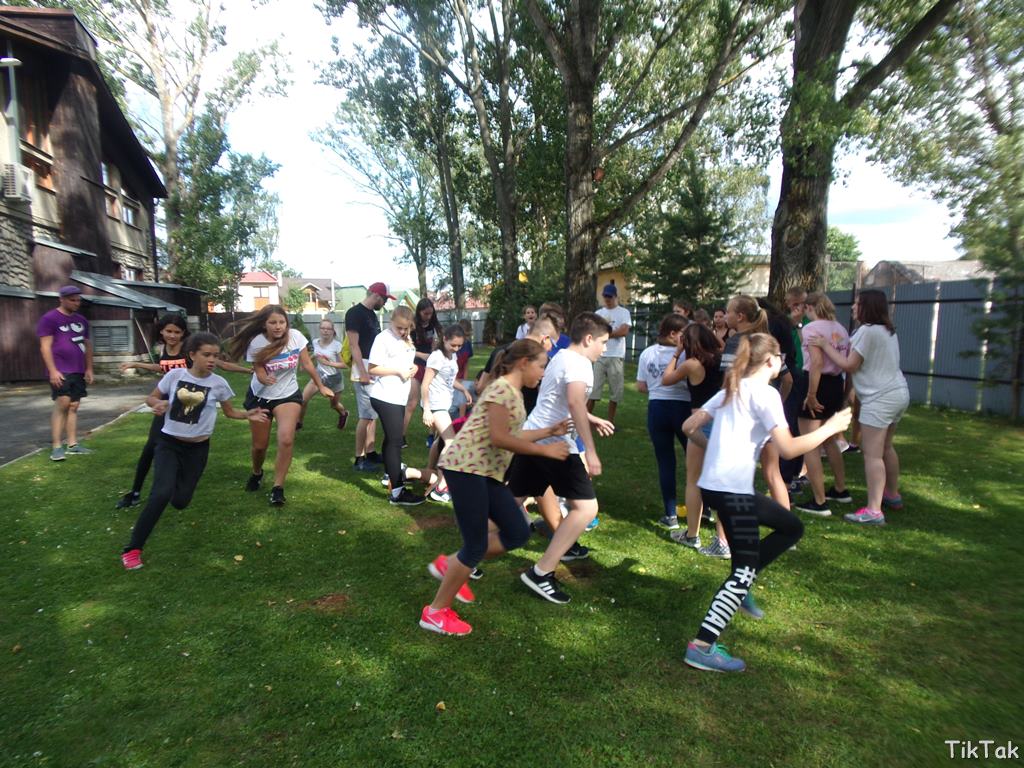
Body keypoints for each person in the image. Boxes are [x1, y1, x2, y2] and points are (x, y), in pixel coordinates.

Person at [680, 333, 851, 672]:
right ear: (771, 360)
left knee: (791, 526)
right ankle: (702, 646)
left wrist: (715, 450)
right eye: (781, 357)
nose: (782, 363)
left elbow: (688, 426)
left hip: (718, 489)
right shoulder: (766, 393)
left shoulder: (732, 388)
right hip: (732, 492)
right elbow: (788, 449)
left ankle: (744, 580)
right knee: (743, 570)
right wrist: (829, 427)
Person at [419, 339, 571, 636]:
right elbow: (499, 438)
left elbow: (514, 434)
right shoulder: (502, 389)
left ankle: (450, 565)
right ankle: (435, 613)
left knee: (517, 532)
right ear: (524, 363)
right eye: (541, 366)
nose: (543, 373)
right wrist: (545, 450)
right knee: (475, 546)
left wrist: (548, 431)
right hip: (466, 469)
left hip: (486, 473)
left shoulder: (512, 392)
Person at [120, 333, 270, 570]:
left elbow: (230, 412)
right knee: (160, 494)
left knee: (181, 501)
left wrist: (247, 415)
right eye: (206, 355)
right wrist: (157, 404)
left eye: (215, 356)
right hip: (168, 444)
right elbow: (152, 398)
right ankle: (133, 549)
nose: (212, 360)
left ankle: (172, 482)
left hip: (198, 449)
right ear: (192, 354)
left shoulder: (219, 383)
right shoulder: (175, 376)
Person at [509, 312, 615, 605]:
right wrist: (590, 450)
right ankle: (541, 572)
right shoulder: (580, 364)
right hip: (554, 443)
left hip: (535, 434)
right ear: (589, 339)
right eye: (603, 342)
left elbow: (561, 399)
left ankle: (467, 556)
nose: (605, 349)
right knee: (586, 508)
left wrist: (591, 418)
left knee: (512, 500)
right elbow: (574, 401)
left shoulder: (561, 357)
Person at [809, 289, 909, 525]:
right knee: (886, 447)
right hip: (898, 393)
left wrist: (824, 344)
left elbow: (849, 365)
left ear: (868, 307)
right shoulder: (887, 330)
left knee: (872, 454)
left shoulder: (867, 331)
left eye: (858, 303)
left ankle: (874, 511)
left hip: (879, 398)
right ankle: (891, 495)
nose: (853, 307)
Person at [230, 305, 334, 506]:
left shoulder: (295, 337)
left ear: (287, 323)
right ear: (264, 324)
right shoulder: (257, 342)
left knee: (286, 439)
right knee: (259, 446)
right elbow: (258, 368)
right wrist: (263, 377)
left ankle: (278, 488)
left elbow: (307, 364)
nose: (278, 326)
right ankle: (257, 472)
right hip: (260, 397)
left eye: (281, 322)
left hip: (287, 395)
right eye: (273, 323)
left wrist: (320, 386)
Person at [662, 322, 725, 551]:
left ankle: (692, 534)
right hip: (722, 421)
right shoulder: (722, 359)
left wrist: (676, 354)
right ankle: (723, 539)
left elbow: (666, 379)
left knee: (694, 480)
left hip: (701, 422)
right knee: (722, 480)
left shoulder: (692, 364)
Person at [793, 292, 852, 516]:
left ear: (810, 307)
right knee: (829, 440)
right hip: (836, 384)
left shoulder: (812, 328)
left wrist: (811, 394)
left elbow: (816, 362)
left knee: (810, 443)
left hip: (816, 383)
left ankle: (819, 501)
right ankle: (840, 489)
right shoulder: (841, 329)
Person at [635, 313, 691, 529]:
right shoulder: (687, 354)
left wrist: (657, 386)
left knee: (666, 462)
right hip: (684, 408)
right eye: (684, 333)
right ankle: (703, 509)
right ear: (673, 333)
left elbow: (641, 386)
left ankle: (670, 515)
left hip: (657, 408)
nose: (687, 337)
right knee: (695, 461)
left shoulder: (647, 353)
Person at [368, 305, 425, 506]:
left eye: (406, 328)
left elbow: (405, 360)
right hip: (385, 396)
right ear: (391, 321)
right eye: (399, 327)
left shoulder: (406, 339)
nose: (402, 331)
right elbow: (372, 368)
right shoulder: (383, 339)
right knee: (395, 441)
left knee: (391, 440)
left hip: (397, 397)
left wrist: (414, 367)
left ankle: (390, 475)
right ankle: (398, 492)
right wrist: (398, 372)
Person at [37, 285, 94, 461]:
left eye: (78, 300)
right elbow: (45, 347)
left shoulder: (81, 320)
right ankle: (56, 446)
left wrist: (89, 368)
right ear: (61, 299)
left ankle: (72, 444)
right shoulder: (49, 319)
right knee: (62, 403)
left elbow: (87, 345)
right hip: (61, 369)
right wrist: (53, 371)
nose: (76, 303)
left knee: (74, 405)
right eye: (72, 300)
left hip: (78, 369)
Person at [421, 324, 474, 501]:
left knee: (441, 441)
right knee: (451, 443)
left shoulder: (452, 355)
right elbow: (425, 384)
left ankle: (430, 472)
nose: (456, 348)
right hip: (435, 405)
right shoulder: (437, 357)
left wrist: (463, 389)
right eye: (453, 345)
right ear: (444, 339)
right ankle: (441, 487)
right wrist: (427, 410)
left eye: (459, 345)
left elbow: (449, 380)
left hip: (444, 404)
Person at [346, 283, 391, 471]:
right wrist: (363, 373)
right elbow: (353, 345)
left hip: (373, 369)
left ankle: (370, 452)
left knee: (373, 415)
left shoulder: (371, 314)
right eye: (385, 299)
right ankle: (359, 458)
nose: (385, 303)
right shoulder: (354, 313)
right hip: (363, 370)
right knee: (365, 416)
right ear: (376, 295)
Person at [590, 282, 632, 424]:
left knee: (615, 393)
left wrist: (605, 334)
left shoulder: (624, 312)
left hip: (616, 355)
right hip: (600, 355)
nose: (607, 299)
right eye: (605, 297)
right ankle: (585, 421)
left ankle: (610, 422)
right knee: (593, 391)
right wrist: (612, 333)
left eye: (610, 297)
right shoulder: (598, 313)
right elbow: (594, 332)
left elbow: (624, 331)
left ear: (615, 297)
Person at [299, 319, 349, 430]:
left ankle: (343, 413)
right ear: (320, 329)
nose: (325, 331)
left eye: (328, 329)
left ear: (332, 331)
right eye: (323, 328)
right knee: (303, 400)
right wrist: (307, 362)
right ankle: (299, 423)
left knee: (334, 405)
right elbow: (316, 354)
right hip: (319, 376)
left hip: (334, 379)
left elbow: (345, 365)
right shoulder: (315, 342)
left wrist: (328, 363)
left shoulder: (337, 345)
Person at [405, 298, 443, 442]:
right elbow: (406, 348)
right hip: (416, 366)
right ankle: (400, 436)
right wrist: (422, 355)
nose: (428, 316)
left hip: (431, 367)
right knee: (412, 402)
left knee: (432, 402)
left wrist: (436, 348)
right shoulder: (412, 327)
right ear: (419, 312)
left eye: (430, 313)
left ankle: (432, 435)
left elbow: (440, 345)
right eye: (425, 313)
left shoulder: (435, 326)